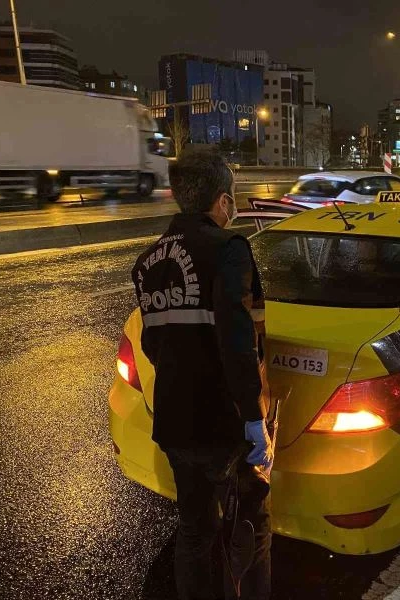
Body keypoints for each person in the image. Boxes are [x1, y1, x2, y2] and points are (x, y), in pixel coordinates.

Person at [132, 149, 271, 599]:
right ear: (223, 201)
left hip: (174, 422)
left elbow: (152, 343)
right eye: (232, 198)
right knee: (248, 524)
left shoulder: (148, 261)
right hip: (222, 423)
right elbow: (238, 341)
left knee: (194, 530)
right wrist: (253, 418)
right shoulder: (228, 249)